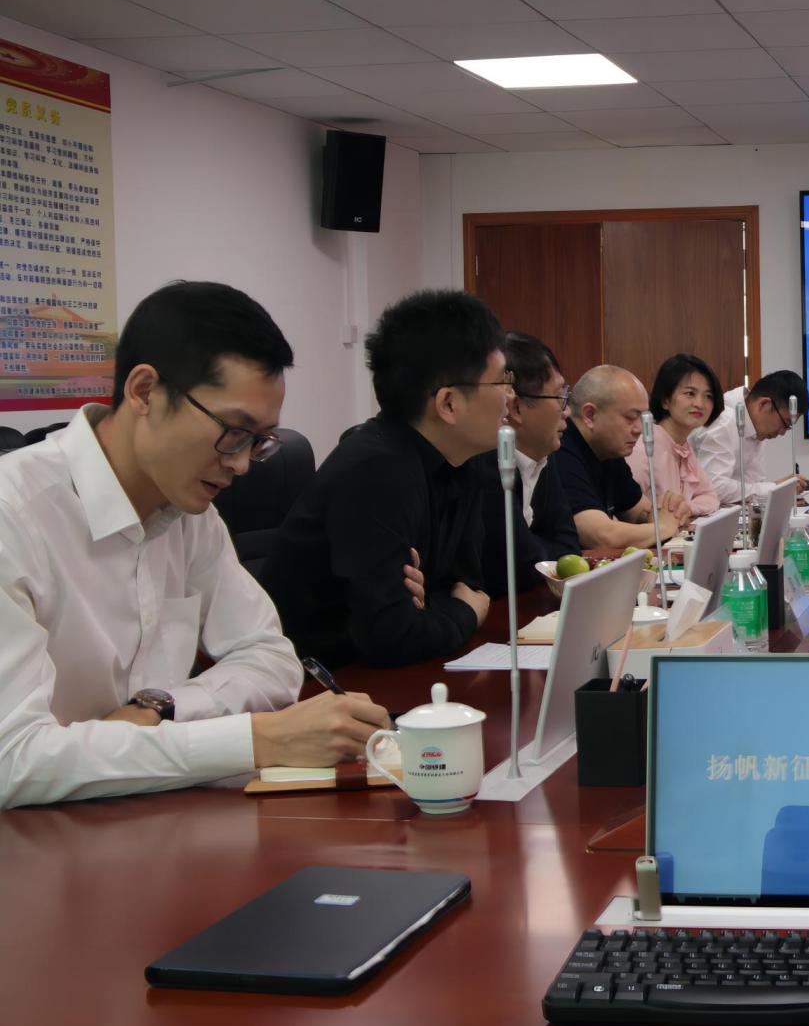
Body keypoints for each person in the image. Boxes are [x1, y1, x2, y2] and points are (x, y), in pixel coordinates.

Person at [0, 282, 389, 808]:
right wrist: (255, 740)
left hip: (155, 816)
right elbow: (13, 761)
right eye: (234, 431)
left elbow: (271, 656)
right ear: (144, 391)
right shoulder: (14, 515)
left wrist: (159, 708)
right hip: (40, 836)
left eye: (260, 441)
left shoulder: (188, 513)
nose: (242, 463)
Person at [264, 291, 507, 669]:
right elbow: (395, 634)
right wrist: (463, 613)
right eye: (501, 381)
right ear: (448, 403)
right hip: (318, 682)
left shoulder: (465, 462)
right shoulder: (376, 471)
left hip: (390, 672)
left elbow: (470, 585)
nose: (511, 397)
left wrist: (440, 605)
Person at [475, 332, 581, 597]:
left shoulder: (543, 454)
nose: (567, 411)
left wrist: (535, 550)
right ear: (516, 408)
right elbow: (518, 567)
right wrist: (540, 553)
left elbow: (570, 548)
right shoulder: (485, 462)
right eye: (560, 397)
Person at [552, 364, 690, 551]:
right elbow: (602, 537)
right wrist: (663, 528)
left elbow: (639, 513)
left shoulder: (608, 449)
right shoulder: (561, 450)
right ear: (590, 415)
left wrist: (669, 511)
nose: (639, 429)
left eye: (642, 418)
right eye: (631, 418)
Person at [695, 369, 809, 508]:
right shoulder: (723, 421)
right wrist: (775, 487)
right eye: (785, 423)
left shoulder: (756, 426)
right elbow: (714, 487)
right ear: (764, 404)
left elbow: (754, 484)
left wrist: (779, 490)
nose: (782, 433)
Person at [632, 352, 724, 517]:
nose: (700, 404)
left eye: (708, 396)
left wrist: (689, 507)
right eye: (690, 393)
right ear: (665, 400)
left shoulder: (682, 445)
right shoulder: (643, 447)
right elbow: (626, 509)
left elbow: (710, 496)